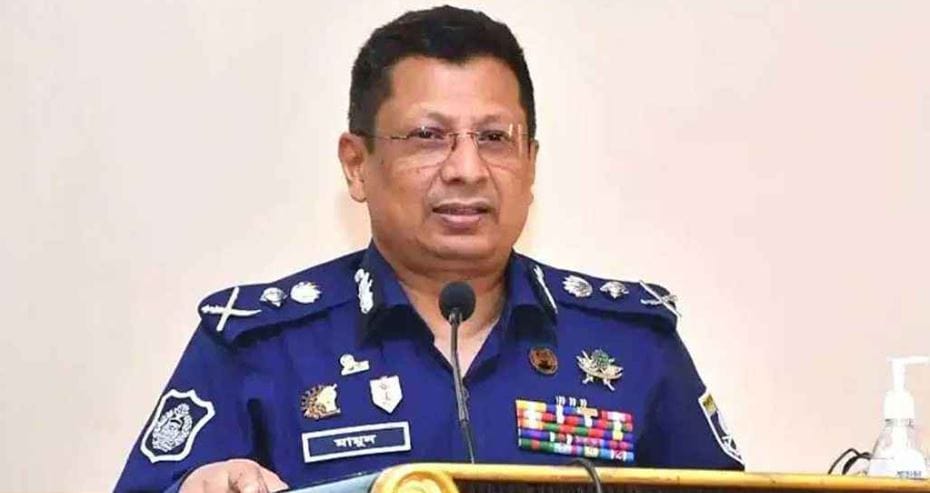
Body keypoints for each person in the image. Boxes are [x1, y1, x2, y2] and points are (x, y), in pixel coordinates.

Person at [116, 5, 744, 493]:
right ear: (357, 164)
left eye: (495, 138)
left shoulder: (633, 344)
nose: (467, 169)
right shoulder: (260, 346)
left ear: (531, 164)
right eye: (427, 136)